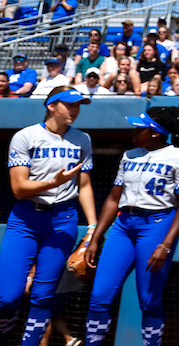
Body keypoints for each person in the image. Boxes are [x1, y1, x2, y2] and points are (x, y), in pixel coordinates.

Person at [84, 107, 179, 346]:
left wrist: (165, 245)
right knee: (99, 295)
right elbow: (114, 199)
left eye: (140, 128)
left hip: (157, 224)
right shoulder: (129, 155)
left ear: (155, 133)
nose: (134, 131)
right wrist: (95, 237)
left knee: (148, 299)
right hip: (123, 225)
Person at [0, 87, 96, 346]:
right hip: (26, 219)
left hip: (63, 220)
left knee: (43, 295)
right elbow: (18, 188)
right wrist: (55, 181)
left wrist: (93, 226)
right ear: (51, 105)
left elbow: (84, 185)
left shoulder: (82, 139)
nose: (75, 110)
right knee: (7, 296)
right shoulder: (25, 136)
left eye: (79, 105)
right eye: (69, 104)